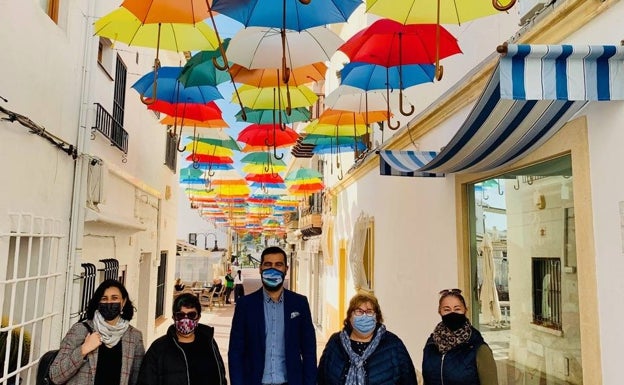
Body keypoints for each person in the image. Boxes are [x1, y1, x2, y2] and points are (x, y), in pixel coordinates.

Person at [228, 246, 316, 385]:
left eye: (278, 265)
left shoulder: (299, 303)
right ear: (260, 268)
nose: (273, 269)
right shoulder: (245, 305)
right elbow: (236, 352)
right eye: (268, 264)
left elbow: (309, 351)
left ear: (286, 269)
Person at [49, 279, 145, 385]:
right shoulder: (80, 330)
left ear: (123, 301)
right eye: (104, 299)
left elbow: (137, 379)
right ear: (98, 302)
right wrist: (83, 349)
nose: (109, 302)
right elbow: (55, 375)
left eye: (115, 298)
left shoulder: (134, 336)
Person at [317, 292, 418, 385]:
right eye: (359, 311)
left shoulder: (393, 344)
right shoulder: (335, 342)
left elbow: (409, 380)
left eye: (369, 312)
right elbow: (321, 377)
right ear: (350, 316)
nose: (364, 315)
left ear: (377, 317)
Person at [138, 293, 226, 385]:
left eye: (191, 315)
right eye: (180, 315)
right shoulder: (158, 348)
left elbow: (221, 375)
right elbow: (146, 380)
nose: (186, 320)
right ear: (174, 317)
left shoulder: (209, 342)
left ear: (199, 317)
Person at [421, 289, 498, 385]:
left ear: (465, 310)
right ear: (439, 311)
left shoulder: (478, 348)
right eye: (447, 309)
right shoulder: (431, 344)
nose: (452, 313)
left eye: (457, 309)